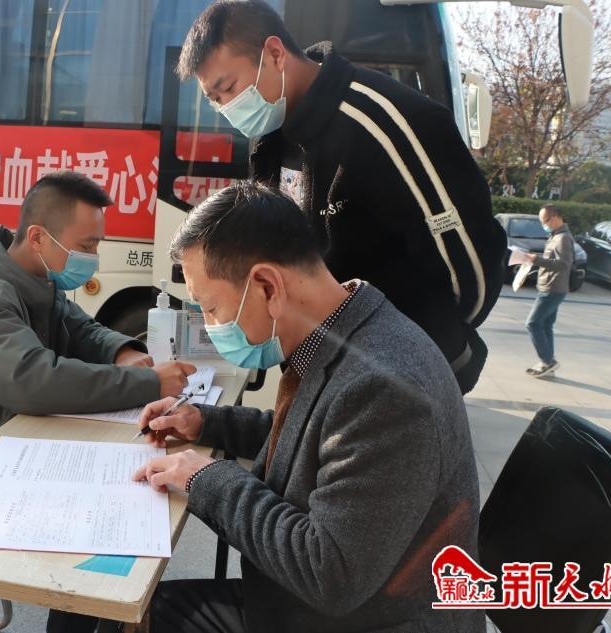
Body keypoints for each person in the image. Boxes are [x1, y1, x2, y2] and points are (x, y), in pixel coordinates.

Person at [133, 182, 483, 633]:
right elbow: (314, 435)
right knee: (144, 609)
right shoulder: (347, 332)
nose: (211, 326)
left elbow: (329, 572)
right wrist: (206, 422)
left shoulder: (385, 389)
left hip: (357, 620)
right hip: (307, 605)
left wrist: (205, 478)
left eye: (212, 307)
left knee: (140, 615)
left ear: (267, 285)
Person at [0, 171, 195, 633]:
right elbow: (33, 381)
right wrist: (148, 384)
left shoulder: (33, 275)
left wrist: (122, 352)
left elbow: (78, 328)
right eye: (87, 245)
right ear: (38, 237)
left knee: (104, 521)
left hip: (1, 454)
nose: (92, 258)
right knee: (93, 535)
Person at [177, 0, 507, 394]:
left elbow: (471, 270)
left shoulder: (387, 123)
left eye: (228, 88)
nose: (226, 107)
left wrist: (430, 340)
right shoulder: (270, 137)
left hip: (404, 374)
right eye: (215, 99)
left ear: (275, 54)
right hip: (328, 363)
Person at [523, 204, 573, 379]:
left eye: (545, 220)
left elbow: (563, 264)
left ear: (556, 217)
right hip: (550, 286)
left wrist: (537, 260)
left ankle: (547, 360)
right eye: (541, 221)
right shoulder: (555, 236)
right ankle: (548, 362)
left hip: (552, 289)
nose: (543, 224)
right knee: (545, 325)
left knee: (532, 323)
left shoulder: (563, 238)